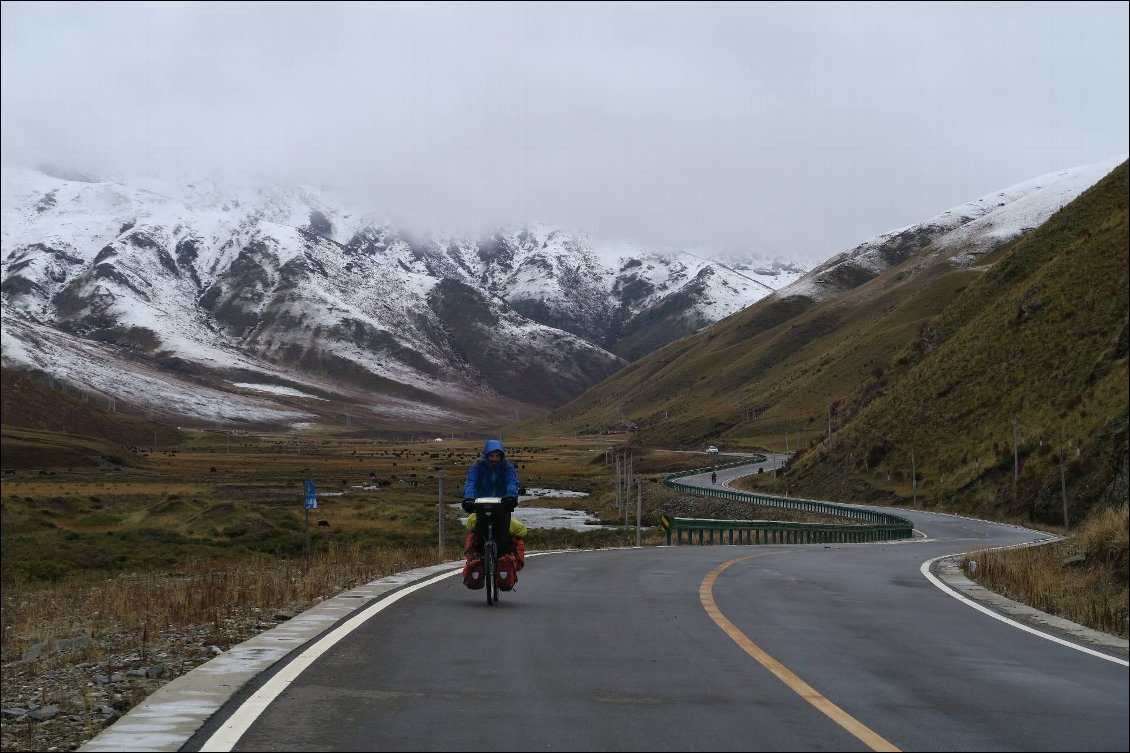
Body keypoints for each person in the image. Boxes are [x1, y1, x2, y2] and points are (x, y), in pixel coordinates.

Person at [462, 439, 520, 557]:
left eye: (497, 456)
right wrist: (468, 498)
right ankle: (479, 558)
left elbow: (512, 482)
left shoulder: (507, 466)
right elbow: (471, 483)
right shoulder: (478, 465)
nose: (494, 459)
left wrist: (511, 497)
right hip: (481, 503)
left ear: (501, 456)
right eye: (491, 456)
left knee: (503, 538)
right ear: (486, 455)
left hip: (502, 504)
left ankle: (502, 565)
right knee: (478, 536)